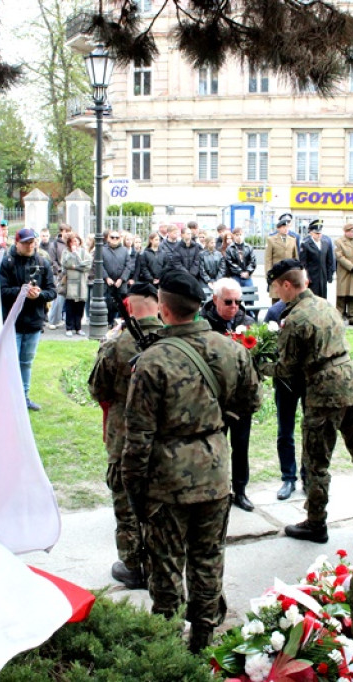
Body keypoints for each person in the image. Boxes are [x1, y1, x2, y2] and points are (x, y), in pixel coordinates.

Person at [121, 269, 261, 653]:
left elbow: (137, 438)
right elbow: (251, 403)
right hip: (214, 474)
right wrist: (216, 423)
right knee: (208, 560)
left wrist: (133, 488)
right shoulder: (231, 349)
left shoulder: (152, 360)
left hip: (166, 483)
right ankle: (202, 643)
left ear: (163, 309)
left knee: (165, 568)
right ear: (200, 306)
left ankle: (166, 652)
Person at [268, 259, 353, 543]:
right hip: (352, 382)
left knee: (316, 462)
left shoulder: (295, 319)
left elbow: (287, 368)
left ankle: (316, 523)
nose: (276, 294)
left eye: (277, 288)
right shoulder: (325, 305)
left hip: (324, 392)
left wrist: (259, 365)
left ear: (287, 285)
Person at [88, 282, 164, 591]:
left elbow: (98, 389)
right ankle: (161, 561)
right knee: (160, 499)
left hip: (125, 435)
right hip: (164, 434)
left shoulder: (117, 344)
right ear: (159, 305)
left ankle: (133, 564)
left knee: (125, 497)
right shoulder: (175, 340)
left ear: (129, 307)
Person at [200, 278, 257, 512]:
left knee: (241, 446)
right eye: (228, 302)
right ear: (215, 300)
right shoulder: (204, 325)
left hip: (241, 398)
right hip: (215, 399)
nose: (234, 306)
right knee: (214, 447)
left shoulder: (248, 322)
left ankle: (240, 490)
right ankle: (216, 491)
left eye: (237, 302)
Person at [0, 227, 57, 411]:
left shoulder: (42, 262)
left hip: (34, 321)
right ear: (17, 243)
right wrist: (22, 292)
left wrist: (39, 295)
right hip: (12, 322)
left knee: (26, 362)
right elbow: (1, 291)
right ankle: (7, 400)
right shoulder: (7, 262)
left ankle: (23, 398)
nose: (30, 246)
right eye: (26, 243)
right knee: (10, 363)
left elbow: (52, 291)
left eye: (32, 242)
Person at [265, 299, 302, 500]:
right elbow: (266, 345)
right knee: (285, 431)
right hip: (284, 380)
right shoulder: (275, 311)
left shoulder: (310, 308)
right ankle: (288, 477)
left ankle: (309, 475)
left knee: (312, 429)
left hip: (308, 378)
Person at [60, 233, 92, 336]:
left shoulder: (83, 252)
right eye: (73, 241)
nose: (75, 243)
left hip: (82, 282)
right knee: (70, 305)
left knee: (80, 306)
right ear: (69, 243)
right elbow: (65, 264)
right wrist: (72, 255)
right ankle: (69, 328)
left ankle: (78, 327)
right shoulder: (66, 252)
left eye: (77, 241)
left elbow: (87, 265)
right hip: (71, 282)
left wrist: (75, 266)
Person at [334, 223, 353, 326]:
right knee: (342, 295)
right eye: (351, 231)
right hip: (344, 272)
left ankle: (352, 317)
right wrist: (351, 266)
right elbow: (339, 256)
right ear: (346, 232)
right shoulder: (339, 242)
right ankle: (339, 316)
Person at [102, 230, 133, 326]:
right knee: (108, 305)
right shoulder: (102, 250)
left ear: (120, 239)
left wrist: (122, 279)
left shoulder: (124, 250)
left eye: (117, 237)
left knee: (121, 306)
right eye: (112, 237)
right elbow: (98, 265)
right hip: (107, 284)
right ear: (108, 238)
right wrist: (106, 278)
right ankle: (109, 323)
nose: (114, 239)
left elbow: (129, 266)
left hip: (121, 284)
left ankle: (119, 325)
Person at [265, 217, 298, 303]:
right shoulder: (271, 240)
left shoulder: (292, 239)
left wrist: (296, 273)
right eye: (283, 227)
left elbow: (295, 258)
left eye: (287, 227)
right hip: (277, 274)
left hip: (289, 274)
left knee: (289, 299)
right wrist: (269, 275)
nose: (286, 229)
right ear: (278, 228)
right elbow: (268, 260)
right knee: (276, 299)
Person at [299, 220, 335, 299]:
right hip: (312, 278)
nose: (319, 235)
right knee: (312, 299)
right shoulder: (306, 244)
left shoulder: (325, 243)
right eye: (316, 233)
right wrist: (306, 277)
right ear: (311, 233)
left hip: (323, 277)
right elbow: (303, 263)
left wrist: (329, 275)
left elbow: (329, 261)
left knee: (323, 299)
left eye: (320, 233)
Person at [47, 224, 72, 330]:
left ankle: (63, 320)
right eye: (66, 231)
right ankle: (53, 320)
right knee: (58, 298)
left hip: (71, 275)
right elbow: (52, 260)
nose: (68, 233)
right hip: (59, 276)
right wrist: (59, 271)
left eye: (69, 231)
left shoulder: (71, 243)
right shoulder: (55, 244)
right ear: (61, 232)